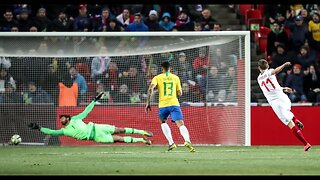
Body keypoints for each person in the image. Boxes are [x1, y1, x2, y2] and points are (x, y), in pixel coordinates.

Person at [28, 92, 153, 145]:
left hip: (97, 127)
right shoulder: (64, 131)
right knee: (119, 139)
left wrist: (94, 100)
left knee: (120, 130)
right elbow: (52, 132)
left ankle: (143, 132)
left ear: (67, 118)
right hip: (96, 137)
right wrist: (39, 128)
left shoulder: (76, 118)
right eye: (60, 119)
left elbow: (86, 110)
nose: (61, 119)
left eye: (63, 117)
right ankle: (141, 140)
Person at [257, 59, 311, 151]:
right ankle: (296, 119)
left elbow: (269, 89)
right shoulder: (269, 72)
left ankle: (306, 143)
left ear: (259, 68)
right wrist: (284, 65)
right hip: (282, 97)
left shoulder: (259, 78)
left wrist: (282, 88)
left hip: (274, 102)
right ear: (267, 66)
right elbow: (275, 74)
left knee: (289, 123)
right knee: (287, 112)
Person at [145, 61, 195, 152]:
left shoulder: (157, 77)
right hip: (174, 104)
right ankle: (187, 141)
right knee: (180, 124)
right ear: (170, 68)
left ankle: (171, 143)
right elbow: (180, 93)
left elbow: (150, 88)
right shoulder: (175, 77)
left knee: (163, 122)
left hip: (163, 105)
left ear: (162, 69)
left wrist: (148, 102)